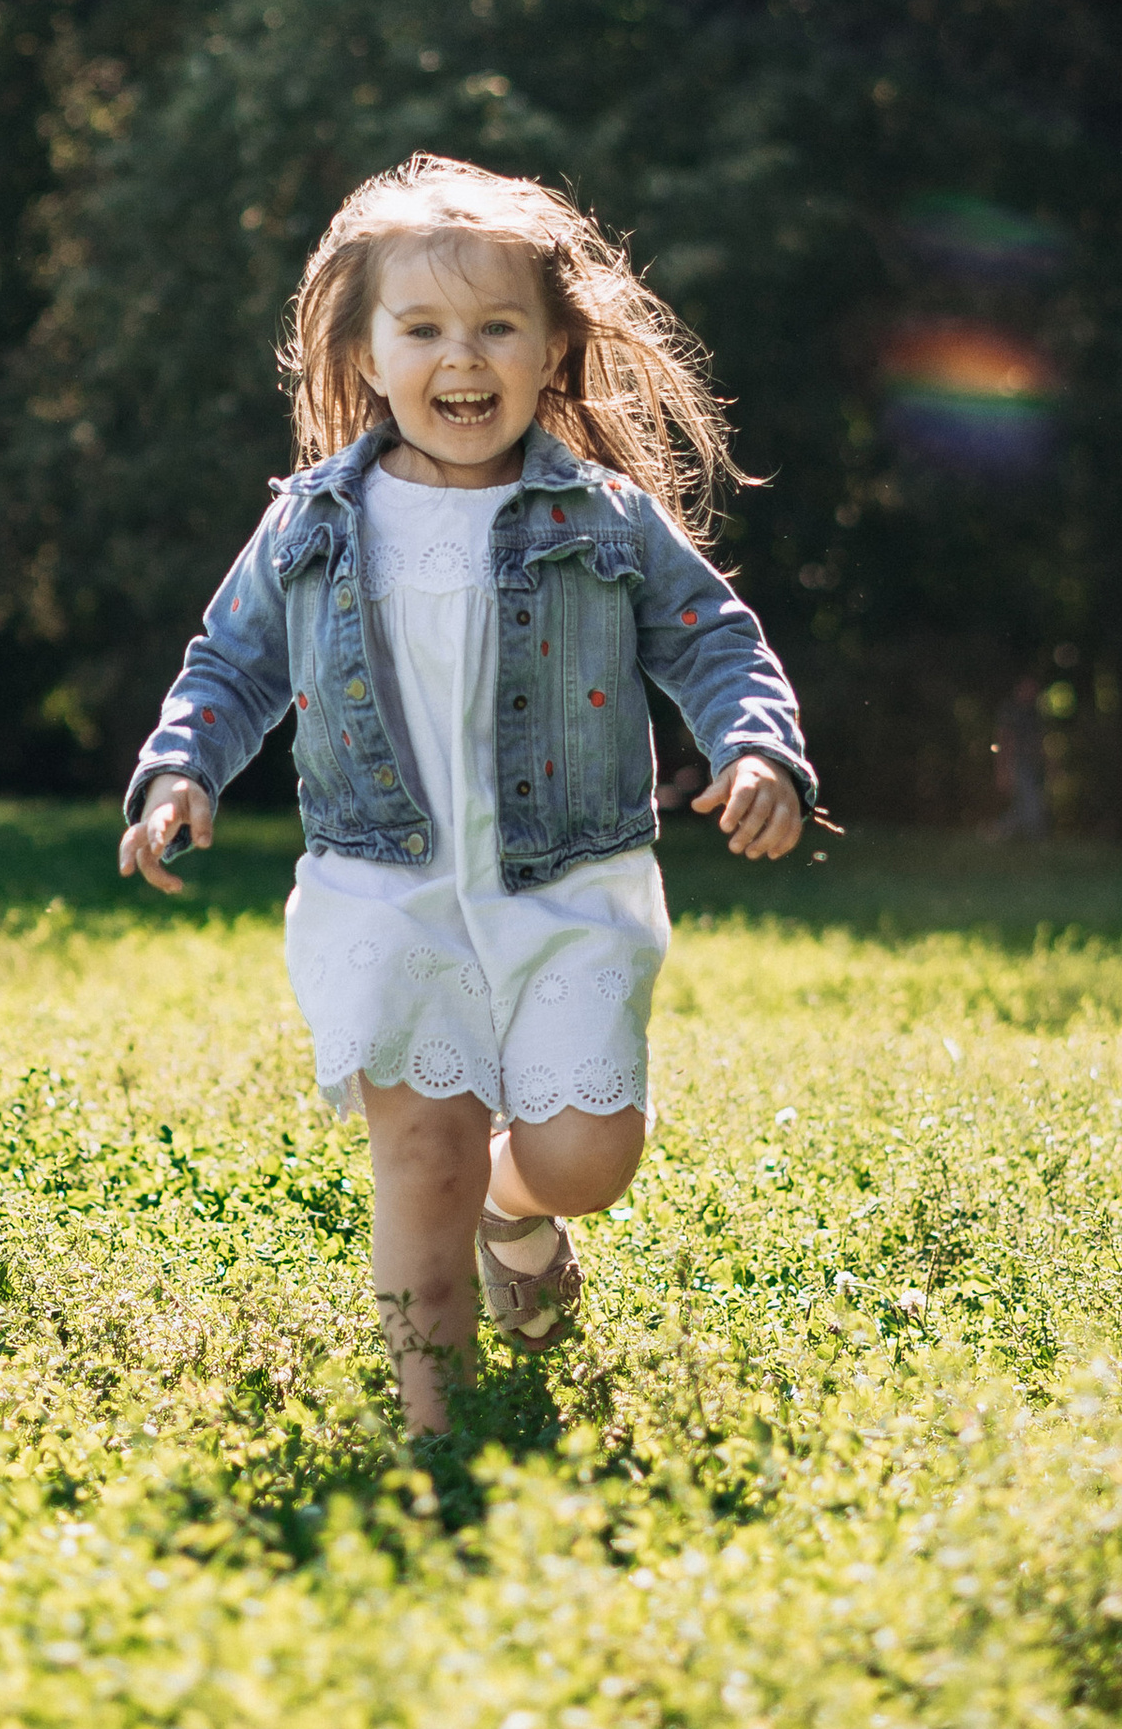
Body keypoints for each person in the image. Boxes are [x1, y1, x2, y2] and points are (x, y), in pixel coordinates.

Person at [120, 154, 818, 1435]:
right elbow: (230, 661)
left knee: (586, 1163)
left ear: (551, 349)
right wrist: (179, 769)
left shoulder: (600, 517)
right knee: (419, 1157)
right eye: (425, 327)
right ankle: (431, 1435)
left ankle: (521, 1209)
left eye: (498, 326)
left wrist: (756, 749)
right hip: (383, 891)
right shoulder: (314, 521)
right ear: (367, 354)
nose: (464, 356)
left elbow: (714, 640)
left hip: (570, 888)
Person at [991, 672, 1049, 839]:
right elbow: (1001, 740)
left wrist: (1048, 766)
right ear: (1019, 688)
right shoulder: (1009, 711)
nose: (1031, 692)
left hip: (1033, 766)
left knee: (1023, 806)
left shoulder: (1034, 713)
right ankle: (1036, 843)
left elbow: (1039, 742)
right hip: (1015, 764)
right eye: (1028, 687)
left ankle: (995, 833)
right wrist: (1002, 769)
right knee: (1031, 808)